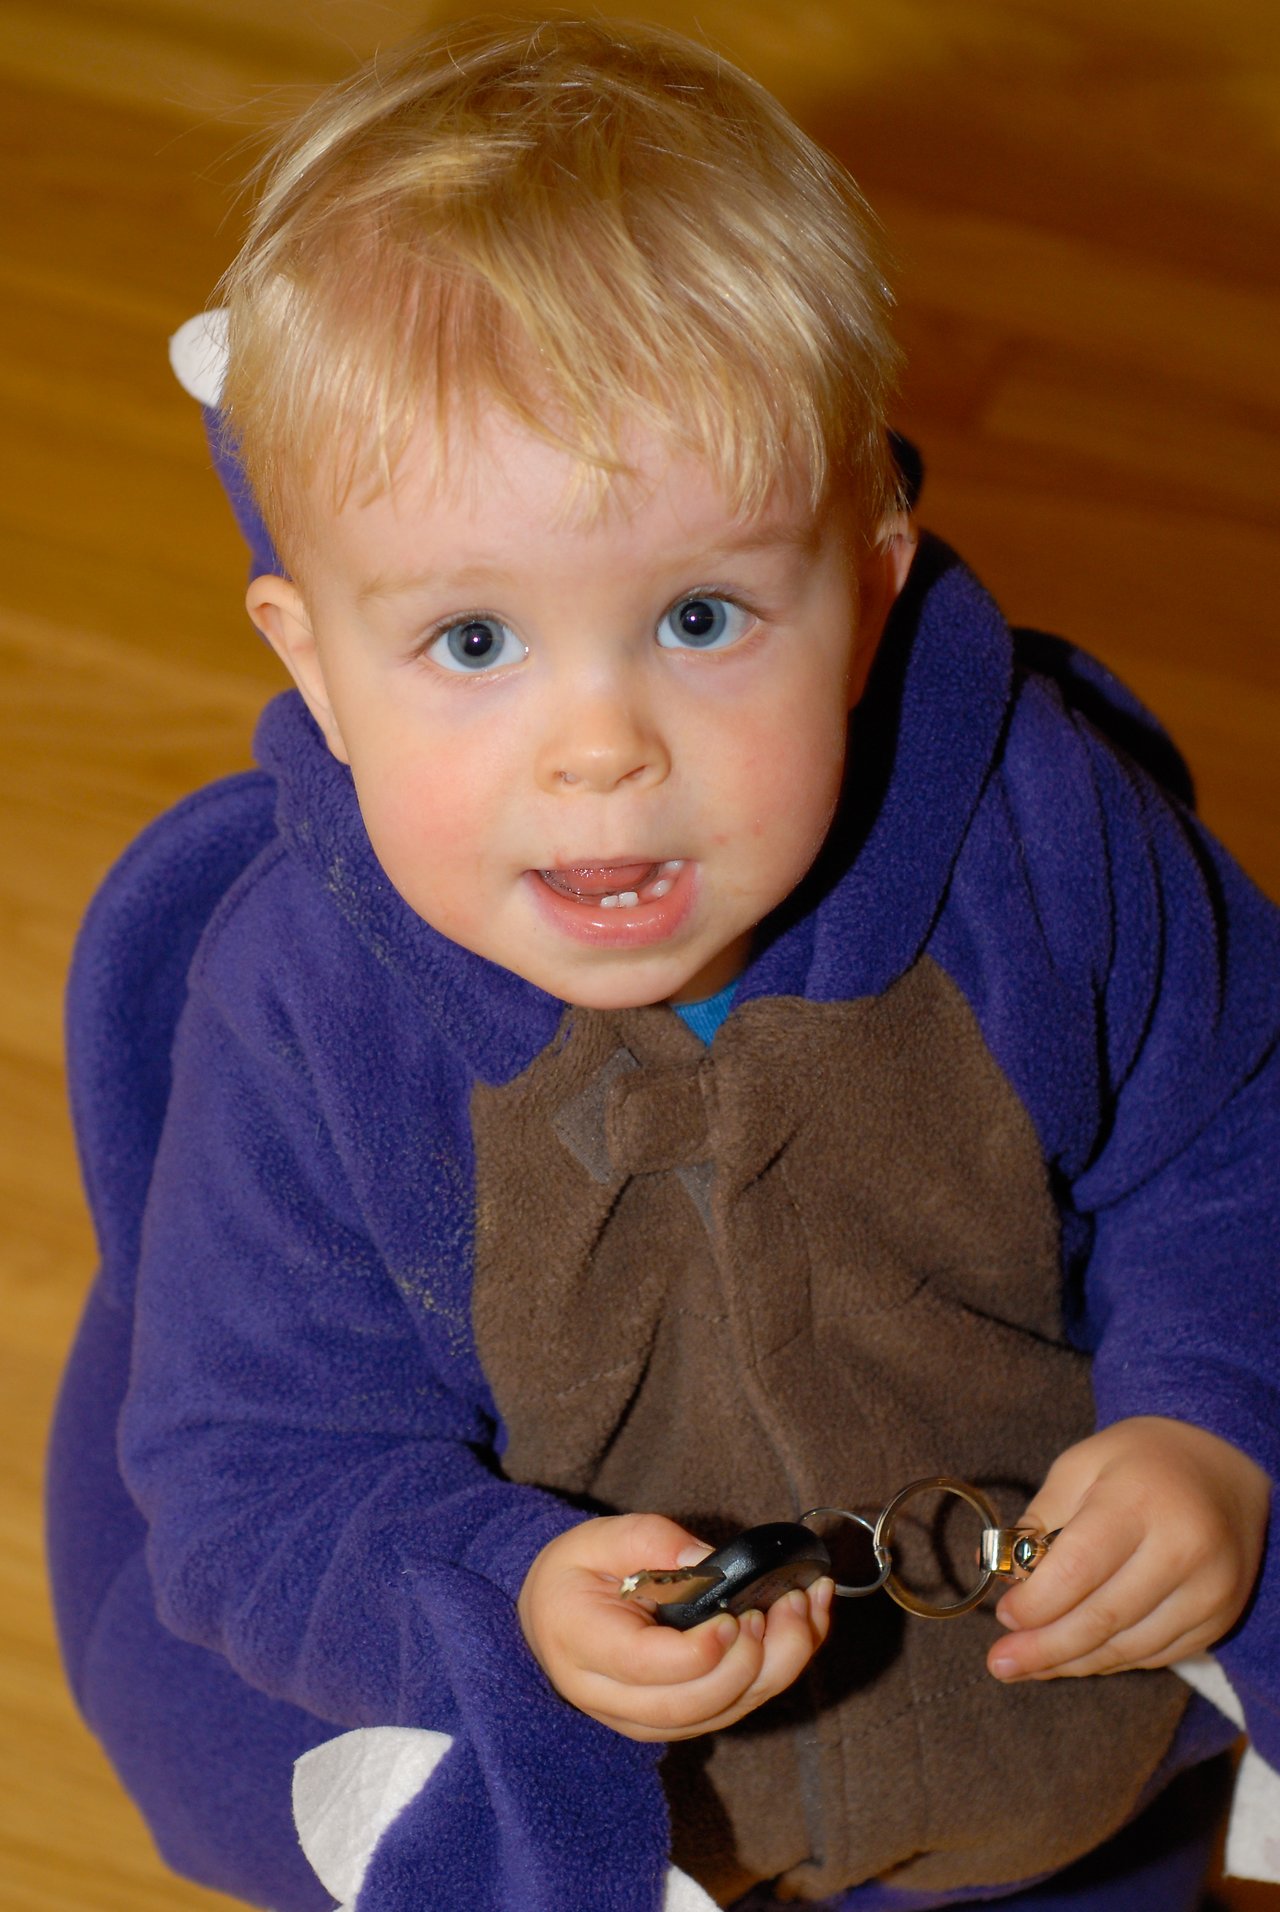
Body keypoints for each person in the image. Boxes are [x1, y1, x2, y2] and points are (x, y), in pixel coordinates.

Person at [47, 17, 1279, 1912]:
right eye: (472, 644)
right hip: (622, 1845)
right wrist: (495, 1595)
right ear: (311, 665)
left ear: (867, 595)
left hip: (1072, 1753)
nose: (600, 743)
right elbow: (245, 1477)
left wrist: (1214, 1424)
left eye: (701, 616)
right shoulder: (307, 1018)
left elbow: (1235, 1140)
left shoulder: (1046, 841)